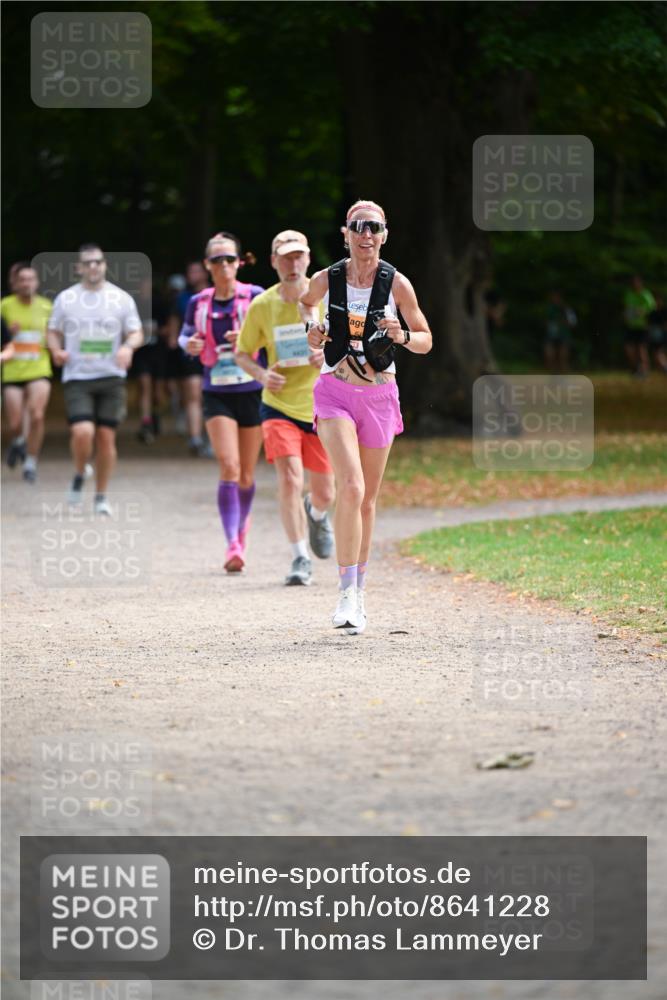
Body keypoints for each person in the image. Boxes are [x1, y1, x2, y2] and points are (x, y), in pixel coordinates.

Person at [299, 200, 432, 634]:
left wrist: (402, 335)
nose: (366, 234)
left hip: (379, 397)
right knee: (351, 486)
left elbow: (426, 339)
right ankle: (344, 595)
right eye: (358, 226)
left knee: (367, 499)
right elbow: (306, 303)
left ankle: (359, 590)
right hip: (334, 393)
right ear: (346, 233)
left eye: (374, 227)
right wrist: (311, 329)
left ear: (384, 234)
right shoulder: (328, 278)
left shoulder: (397, 284)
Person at [235, 230, 335, 586]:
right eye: (285, 258)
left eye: (298, 257)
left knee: (325, 492)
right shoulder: (262, 305)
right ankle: (299, 557)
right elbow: (242, 354)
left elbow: (350, 345)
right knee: (291, 477)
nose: (293, 264)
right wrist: (263, 375)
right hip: (278, 405)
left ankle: (317, 514)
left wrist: (327, 357)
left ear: (308, 259)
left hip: (323, 404)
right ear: (273, 262)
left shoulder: (327, 297)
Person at [179, 232, 265, 572]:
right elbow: (185, 334)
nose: (224, 265)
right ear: (207, 265)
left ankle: (241, 532)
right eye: (217, 260)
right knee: (229, 465)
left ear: (239, 262)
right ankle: (232, 544)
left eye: (230, 258)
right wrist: (189, 344)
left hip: (252, 390)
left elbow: (272, 334)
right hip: (217, 391)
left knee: (246, 473)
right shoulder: (198, 302)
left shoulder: (255, 297)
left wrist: (248, 338)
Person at [46, 243, 144, 514]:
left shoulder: (121, 298)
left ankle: (101, 496)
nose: (93, 266)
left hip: (111, 376)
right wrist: (56, 351)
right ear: (78, 267)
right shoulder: (66, 298)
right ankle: (81, 471)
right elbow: (52, 331)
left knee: (105, 438)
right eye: (87, 262)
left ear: (105, 265)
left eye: (98, 262)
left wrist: (127, 347)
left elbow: (136, 332)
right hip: (78, 376)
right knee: (82, 432)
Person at [1, 263, 53, 482]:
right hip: (12, 370)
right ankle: (18, 441)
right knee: (14, 423)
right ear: (15, 283)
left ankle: (31, 461)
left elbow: (55, 335)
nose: (26, 283)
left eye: (30, 279)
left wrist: (54, 344)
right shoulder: (5, 306)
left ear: (37, 282)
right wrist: (8, 333)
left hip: (39, 367)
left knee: (37, 414)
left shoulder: (47, 306)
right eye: (22, 279)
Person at [167, 260, 209, 454]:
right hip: (191, 353)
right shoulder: (183, 297)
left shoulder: (216, 293)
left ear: (205, 272)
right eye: (189, 272)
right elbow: (175, 319)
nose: (192, 275)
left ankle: (212, 437)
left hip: (215, 354)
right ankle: (195, 438)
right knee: (193, 394)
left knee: (211, 396)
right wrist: (174, 340)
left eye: (196, 271)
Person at [623, 275, 656, 378]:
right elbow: (626, 308)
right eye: (633, 283)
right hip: (631, 326)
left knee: (642, 350)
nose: (634, 285)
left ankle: (645, 371)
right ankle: (635, 369)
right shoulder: (629, 294)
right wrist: (626, 315)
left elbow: (653, 307)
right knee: (629, 349)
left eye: (636, 283)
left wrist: (642, 311)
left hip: (643, 327)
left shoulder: (645, 294)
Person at [544, 290, 576, 373]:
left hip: (564, 334)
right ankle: (553, 371)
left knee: (563, 355)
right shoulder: (550, 309)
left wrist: (563, 323)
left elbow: (572, 323)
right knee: (550, 354)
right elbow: (547, 322)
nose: (554, 299)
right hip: (551, 334)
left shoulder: (566, 309)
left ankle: (564, 371)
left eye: (556, 297)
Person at [647, 294, 667, 374]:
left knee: (659, 352)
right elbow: (649, 325)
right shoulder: (652, 312)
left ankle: (664, 368)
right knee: (657, 352)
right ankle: (664, 368)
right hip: (655, 335)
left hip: (662, 335)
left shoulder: (664, 311)